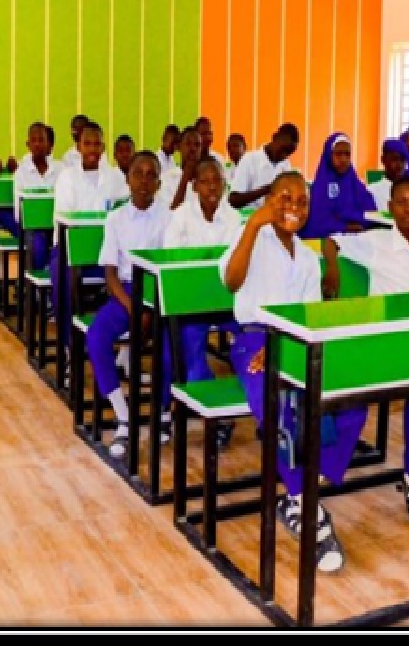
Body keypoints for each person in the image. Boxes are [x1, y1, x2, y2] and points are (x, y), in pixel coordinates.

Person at [219, 170, 363, 572]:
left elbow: (308, 316)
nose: (294, 208)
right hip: (253, 342)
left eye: (302, 202)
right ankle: (312, 515)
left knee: (353, 405)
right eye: (285, 198)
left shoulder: (309, 258)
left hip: (293, 343)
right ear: (269, 199)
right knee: (283, 407)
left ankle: (299, 496)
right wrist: (253, 223)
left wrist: (284, 345)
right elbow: (232, 281)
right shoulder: (251, 237)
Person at [322, 175, 409, 526]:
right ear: (390, 208)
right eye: (402, 202)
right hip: (383, 344)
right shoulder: (376, 243)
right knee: (354, 407)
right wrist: (332, 270)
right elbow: (332, 241)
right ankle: (318, 476)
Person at [84, 151, 172, 459]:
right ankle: (123, 414)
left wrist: (150, 307)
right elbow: (109, 272)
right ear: (127, 179)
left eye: (151, 175)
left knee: (169, 343)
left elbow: (169, 270)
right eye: (138, 173)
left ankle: (161, 411)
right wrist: (133, 307)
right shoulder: (116, 218)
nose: (144, 181)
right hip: (125, 291)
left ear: (160, 182)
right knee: (95, 337)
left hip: (159, 291)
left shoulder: (170, 218)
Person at [162, 156, 244, 446]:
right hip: (192, 303)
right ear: (194, 186)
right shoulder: (180, 217)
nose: (212, 187)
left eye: (217, 181)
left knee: (255, 338)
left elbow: (238, 262)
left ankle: (259, 403)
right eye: (205, 182)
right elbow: (173, 262)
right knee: (189, 348)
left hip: (228, 301)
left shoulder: (234, 218)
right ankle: (218, 414)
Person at [52, 121, 129, 348]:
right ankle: (68, 346)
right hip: (69, 248)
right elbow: (67, 220)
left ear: (103, 148)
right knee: (62, 280)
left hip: (105, 249)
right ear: (79, 147)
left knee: (134, 278)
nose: (92, 149)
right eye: (87, 144)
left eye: (97, 144)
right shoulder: (67, 177)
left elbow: (127, 203)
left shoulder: (113, 177)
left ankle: (125, 350)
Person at [300, 132, 376, 239]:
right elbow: (317, 223)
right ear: (328, 155)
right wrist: (344, 226)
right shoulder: (320, 188)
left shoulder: (355, 184)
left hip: (358, 241)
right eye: (338, 154)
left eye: (347, 154)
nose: (343, 159)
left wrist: (356, 223)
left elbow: (371, 213)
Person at [12, 121, 64, 270]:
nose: (38, 144)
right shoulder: (21, 173)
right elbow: (18, 213)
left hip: (57, 226)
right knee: (39, 246)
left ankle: (57, 284)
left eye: (41, 140)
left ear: (49, 144)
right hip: (33, 228)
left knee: (67, 246)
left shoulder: (61, 169)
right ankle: (35, 288)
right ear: (28, 145)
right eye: (33, 141)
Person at [227, 123, 299, 210]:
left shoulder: (285, 165)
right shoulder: (249, 160)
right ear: (275, 137)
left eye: (289, 153)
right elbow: (234, 200)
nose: (284, 156)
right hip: (249, 219)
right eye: (283, 149)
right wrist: (267, 189)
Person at [157, 124, 202, 211]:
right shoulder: (167, 179)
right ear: (179, 147)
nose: (193, 149)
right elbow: (170, 214)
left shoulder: (208, 179)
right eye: (188, 144)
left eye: (197, 145)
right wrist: (184, 179)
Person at [367, 137, 409, 212]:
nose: (399, 165)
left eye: (402, 160)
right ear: (383, 160)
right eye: (394, 159)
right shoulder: (372, 191)